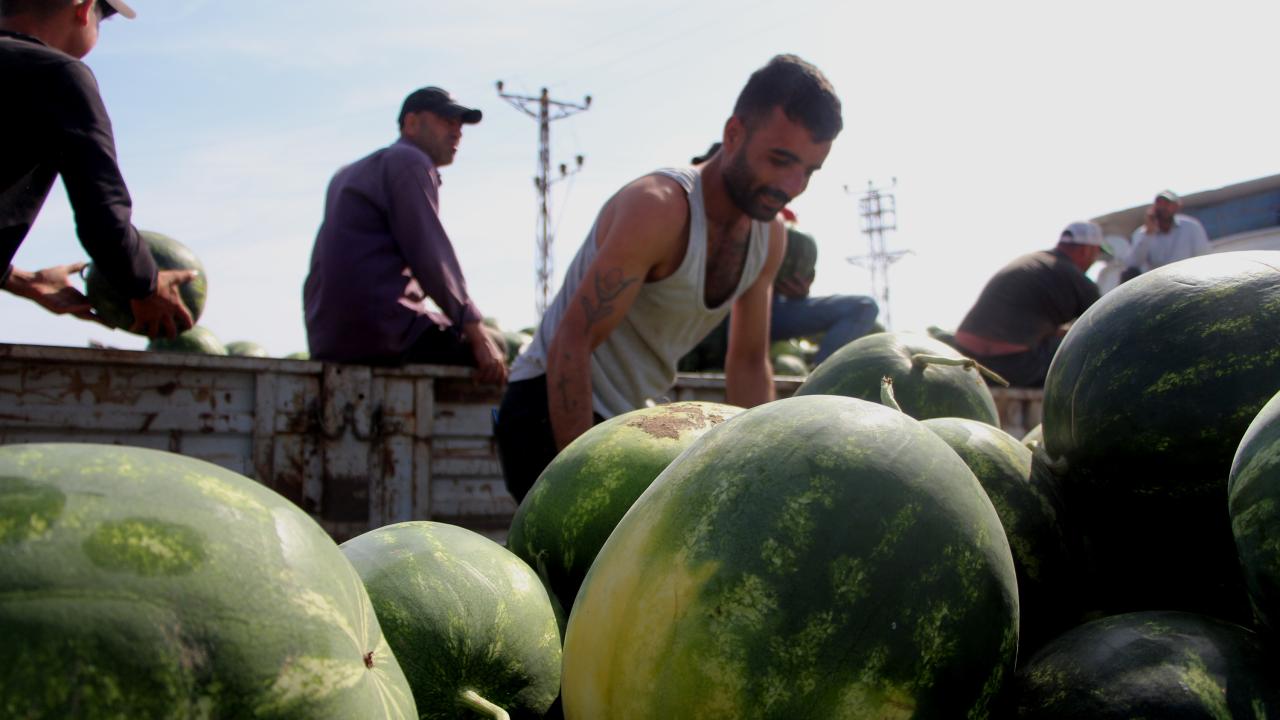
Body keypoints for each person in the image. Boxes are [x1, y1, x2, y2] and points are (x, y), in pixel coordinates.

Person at [495, 54, 843, 501]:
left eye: (810, 170)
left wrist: (762, 473)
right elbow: (572, 340)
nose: (793, 185)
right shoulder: (659, 208)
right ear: (733, 134)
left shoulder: (769, 236)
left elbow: (749, 362)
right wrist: (578, 484)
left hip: (631, 420)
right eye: (780, 160)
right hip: (548, 406)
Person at [1, 0, 195, 338]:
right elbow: (103, 215)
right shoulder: (59, 75)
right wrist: (146, 285)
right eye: (102, 20)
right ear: (84, 7)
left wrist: (20, 280)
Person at [303, 86, 506, 383]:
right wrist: (475, 329)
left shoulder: (347, 173)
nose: (457, 131)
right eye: (447, 120)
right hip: (383, 333)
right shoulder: (409, 161)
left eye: (460, 124)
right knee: (494, 347)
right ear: (411, 123)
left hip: (328, 341)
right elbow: (430, 255)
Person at [679, 188, 878, 370]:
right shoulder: (709, 221)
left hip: (775, 311)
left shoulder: (790, 235)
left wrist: (799, 295)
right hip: (726, 313)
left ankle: (820, 377)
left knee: (863, 306)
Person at [945, 221, 1103, 388]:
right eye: (1097, 253)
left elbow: (1019, 320)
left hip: (964, 357)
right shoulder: (1077, 279)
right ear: (1086, 250)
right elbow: (1102, 325)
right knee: (1082, 346)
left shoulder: (1031, 262)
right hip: (1012, 366)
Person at [1122, 189, 1211, 280]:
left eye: (1167, 203)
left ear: (1177, 206)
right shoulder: (1142, 233)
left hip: (1189, 279)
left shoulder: (1192, 227)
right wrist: (1148, 234)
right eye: (1159, 203)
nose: (1163, 207)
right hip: (1158, 284)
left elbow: (1203, 256)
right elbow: (1132, 264)